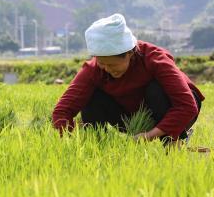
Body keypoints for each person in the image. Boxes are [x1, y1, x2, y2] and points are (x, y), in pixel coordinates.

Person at [52, 14, 204, 143]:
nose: (107, 69)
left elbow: (187, 106)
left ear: (130, 54)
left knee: (155, 90)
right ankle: (97, 146)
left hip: (174, 109)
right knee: (92, 97)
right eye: (102, 63)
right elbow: (62, 110)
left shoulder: (154, 58)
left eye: (112, 64)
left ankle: (173, 144)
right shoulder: (94, 69)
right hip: (130, 116)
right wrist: (69, 140)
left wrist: (149, 136)